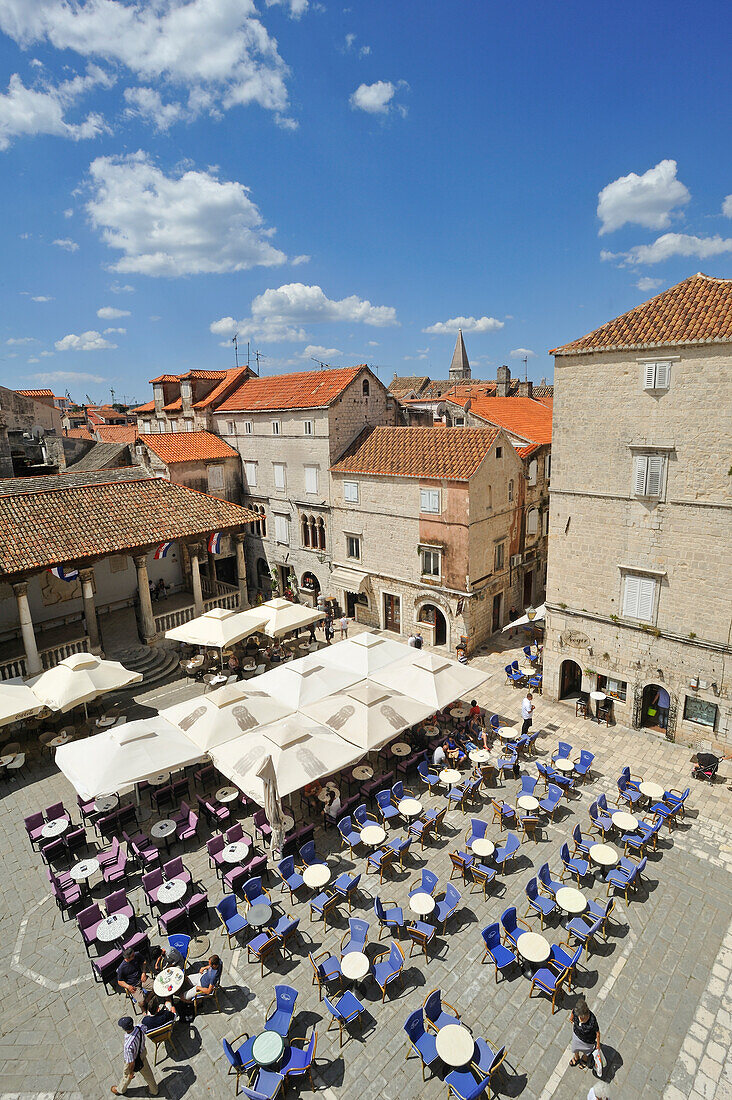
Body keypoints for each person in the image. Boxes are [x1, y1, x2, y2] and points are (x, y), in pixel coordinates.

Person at [111, 1016, 157, 1096]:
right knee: (148, 1075)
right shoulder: (140, 1027)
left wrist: (131, 1072)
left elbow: (131, 1062)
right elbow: (146, 1028)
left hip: (134, 1060)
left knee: (127, 1076)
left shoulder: (128, 1045)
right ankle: (154, 1090)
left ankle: (120, 1090)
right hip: (142, 1054)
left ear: (125, 1029)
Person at [569, 996, 602, 1068]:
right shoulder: (576, 1011)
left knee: (586, 1052)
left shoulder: (592, 1020)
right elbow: (572, 1012)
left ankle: (584, 1059)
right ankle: (576, 1058)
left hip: (588, 1041)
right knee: (575, 1048)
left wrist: (598, 1045)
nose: (579, 1018)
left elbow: (597, 1032)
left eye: (581, 1016)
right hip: (576, 1035)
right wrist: (571, 1019)